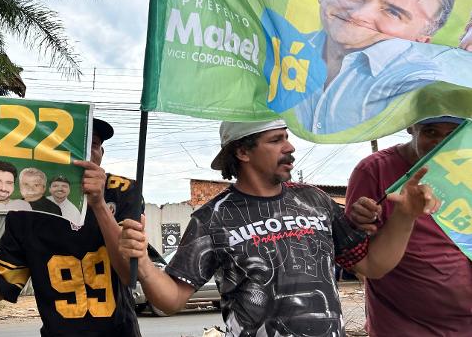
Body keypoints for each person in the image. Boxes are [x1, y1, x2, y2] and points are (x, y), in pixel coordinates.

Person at [119, 120, 439, 337]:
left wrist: (404, 217)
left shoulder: (315, 200)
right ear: (242, 152)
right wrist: (144, 264)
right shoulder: (213, 217)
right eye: (276, 140)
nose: (290, 148)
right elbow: (172, 299)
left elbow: (373, 265)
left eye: (286, 137)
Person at [0, 118, 144, 336]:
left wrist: (98, 205)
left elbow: (129, 274)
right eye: (70, 145)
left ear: (101, 153)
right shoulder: (26, 211)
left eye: (93, 145)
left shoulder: (123, 192)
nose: (83, 153)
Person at [289, 0, 472, 134]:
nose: (359, 14)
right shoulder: (272, 49)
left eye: (393, 11)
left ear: (422, 41)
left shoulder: (426, 80)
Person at [346, 116, 472, 336]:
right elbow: (356, 257)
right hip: (405, 326)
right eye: (430, 132)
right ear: (411, 127)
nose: (441, 143)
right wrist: (360, 222)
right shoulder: (374, 170)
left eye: (452, 134)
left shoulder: (466, 168)